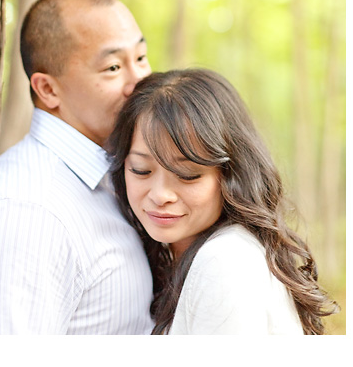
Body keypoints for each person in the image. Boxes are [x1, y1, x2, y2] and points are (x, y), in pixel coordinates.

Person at [0, 0, 154, 334]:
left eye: (141, 58)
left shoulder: (111, 180)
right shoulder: (26, 215)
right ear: (48, 90)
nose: (140, 81)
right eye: (114, 67)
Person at [106, 68, 336, 334]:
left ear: (231, 174)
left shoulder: (224, 262)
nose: (160, 195)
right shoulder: (185, 255)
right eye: (140, 170)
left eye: (187, 175)